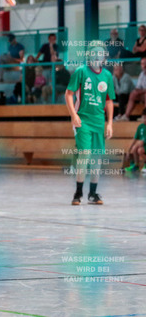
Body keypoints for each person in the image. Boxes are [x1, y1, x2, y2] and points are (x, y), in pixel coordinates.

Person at [65, 42, 115, 205]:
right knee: (85, 154)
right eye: (94, 53)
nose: (97, 56)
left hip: (99, 121)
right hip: (82, 120)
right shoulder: (80, 71)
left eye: (100, 53)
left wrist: (109, 123)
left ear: (104, 57)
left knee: (96, 157)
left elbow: (109, 101)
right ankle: (78, 192)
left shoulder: (107, 75)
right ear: (89, 55)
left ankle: (93, 193)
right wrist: (73, 115)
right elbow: (68, 94)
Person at [117, 56, 146, 121]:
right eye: (142, 64)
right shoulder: (142, 74)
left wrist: (140, 91)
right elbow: (138, 87)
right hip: (143, 94)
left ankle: (144, 116)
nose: (144, 66)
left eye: (145, 63)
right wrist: (137, 91)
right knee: (133, 94)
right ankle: (126, 116)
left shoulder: (126, 77)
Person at [125, 108, 146, 175]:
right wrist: (128, 150)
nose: (144, 119)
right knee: (135, 148)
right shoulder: (141, 126)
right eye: (143, 117)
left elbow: (142, 141)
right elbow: (134, 139)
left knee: (140, 150)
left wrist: (142, 142)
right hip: (143, 146)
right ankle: (136, 165)